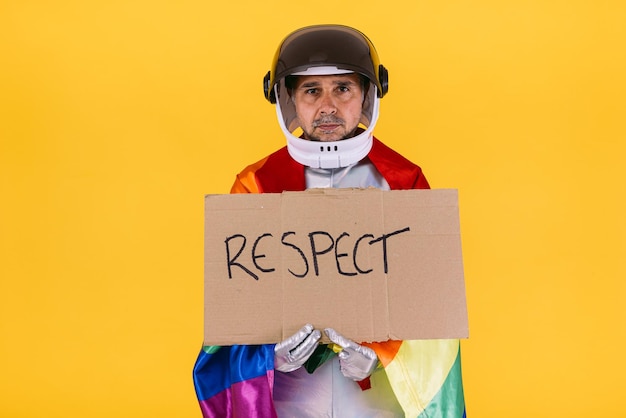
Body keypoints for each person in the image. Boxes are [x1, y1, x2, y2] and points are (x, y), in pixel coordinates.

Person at [193, 24, 466, 417]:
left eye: (342, 88)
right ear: (287, 96)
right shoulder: (255, 185)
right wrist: (268, 356)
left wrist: (383, 356)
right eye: (311, 90)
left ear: (367, 94)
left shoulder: (405, 183)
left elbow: (435, 309)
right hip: (292, 400)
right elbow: (233, 314)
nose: (327, 106)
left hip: (376, 403)